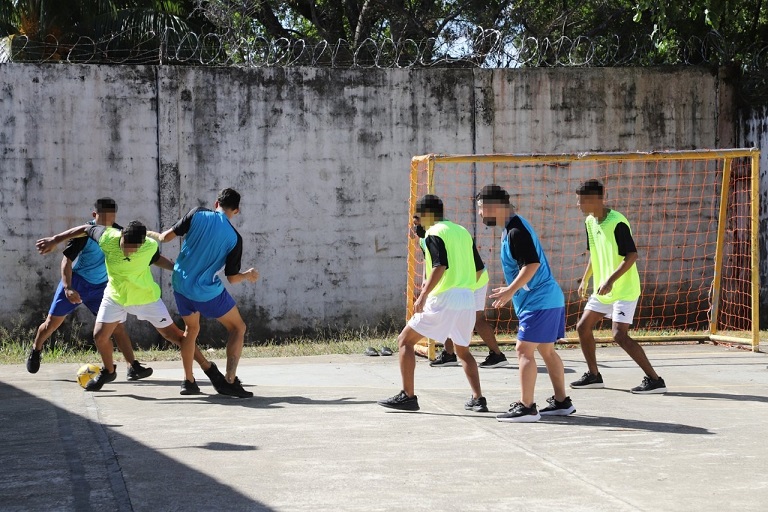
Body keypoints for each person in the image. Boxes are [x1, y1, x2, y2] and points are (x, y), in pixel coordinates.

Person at [36, 220, 227, 395]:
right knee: (99, 336)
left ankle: (208, 368)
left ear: (142, 244)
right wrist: (55, 239)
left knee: (175, 336)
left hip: (146, 298)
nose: (129, 251)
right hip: (116, 296)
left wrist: (178, 270)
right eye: (126, 246)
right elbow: (84, 229)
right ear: (121, 237)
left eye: (134, 249)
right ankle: (109, 371)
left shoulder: (149, 246)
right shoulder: (107, 237)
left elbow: (157, 259)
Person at [379, 195, 487, 412]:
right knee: (463, 351)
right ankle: (478, 398)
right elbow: (478, 267)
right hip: (466, 297)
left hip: (444, 297)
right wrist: (463, 287)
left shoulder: (434, 233)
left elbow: (440, 266)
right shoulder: (462, 231)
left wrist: (423, 295)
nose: (416, 223)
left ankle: (408, 396)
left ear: (427, 214)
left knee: (405, 341)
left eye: (417, 218)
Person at [147, 188, 258, 399]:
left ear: (216, 203)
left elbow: (164, 237)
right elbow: (233, 278)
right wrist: (248, 275)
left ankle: (188, 381)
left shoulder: (197, 213)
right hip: (205, 291)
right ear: (236, 210)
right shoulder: (235, 238)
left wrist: (149, 234)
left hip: (180, 284)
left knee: (191, 329)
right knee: (238, 327)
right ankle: (230, 381)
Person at [478, 184, 575, 423]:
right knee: (546, 350)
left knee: (523, 350)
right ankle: (562, 402)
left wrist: (510, 290)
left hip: (540, 301)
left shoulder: (515, 231)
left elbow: (531, 264)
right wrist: (512, 289)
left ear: (494, 206)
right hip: (547, 299)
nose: (480, 214)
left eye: (481, 208)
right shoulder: (513, 227)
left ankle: (527, 407)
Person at [26, 198, 152, 381]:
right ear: (94, 215)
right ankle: (36, 349)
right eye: (103, 217)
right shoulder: (85, 233)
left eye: (112, 217)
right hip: (76, 282)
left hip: (101, 287)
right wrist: (68, 287)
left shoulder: (118, 233)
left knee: (117, 327)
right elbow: (66, 261)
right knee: (51, 324)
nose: (107, 221)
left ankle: (133, 366)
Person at [571, 179, 666, 394]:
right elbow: (594, 255)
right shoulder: (590, 222)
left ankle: (655, 380)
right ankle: (594, 375)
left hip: (623, 289)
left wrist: (610, 280)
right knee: (583, 327)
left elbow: (632, 255)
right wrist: (586, 279)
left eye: (582, 201)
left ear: (596, 200)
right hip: (603, 289)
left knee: (619, 335)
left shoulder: (617, 222)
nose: (578, 205)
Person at [410, 215, 509, 369]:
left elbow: (477, 266)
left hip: (474, 280)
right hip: (459, 284)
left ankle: (497, 355)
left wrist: (468, 288)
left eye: (417, 224)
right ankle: (449, 354)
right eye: (414, 225)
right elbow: (429, 262)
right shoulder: (426, 239)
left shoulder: (445, 234)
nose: (415, 228)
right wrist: (427, 280)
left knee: (476, 319)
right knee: (448, 314)